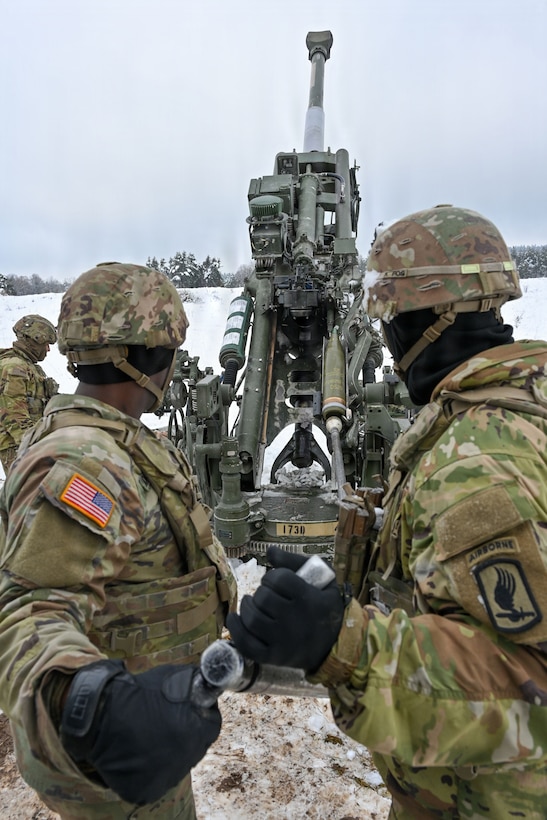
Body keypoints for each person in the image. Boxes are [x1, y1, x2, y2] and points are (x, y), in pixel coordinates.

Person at [227, 205, 547, 819]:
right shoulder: (502, 414)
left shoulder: (479, 459)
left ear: (427, 321)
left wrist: (340, 643)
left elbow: (528, 683)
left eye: (390, 320)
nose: (386, 340)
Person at [0, 263, 237, 819]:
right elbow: (30, 608)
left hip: (139, 730)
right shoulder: (88, 460)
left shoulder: (107, 439)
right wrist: (95, 707)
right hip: (112, 754)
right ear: (154, 356)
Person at [0, 314, 58, 473]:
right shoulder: (14, 367)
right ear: (33, 340)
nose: (48, 349)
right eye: (46, 344)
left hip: (29, 443)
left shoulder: (28, 366)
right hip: (20, 447)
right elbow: (13, 415)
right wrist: (34, 446)